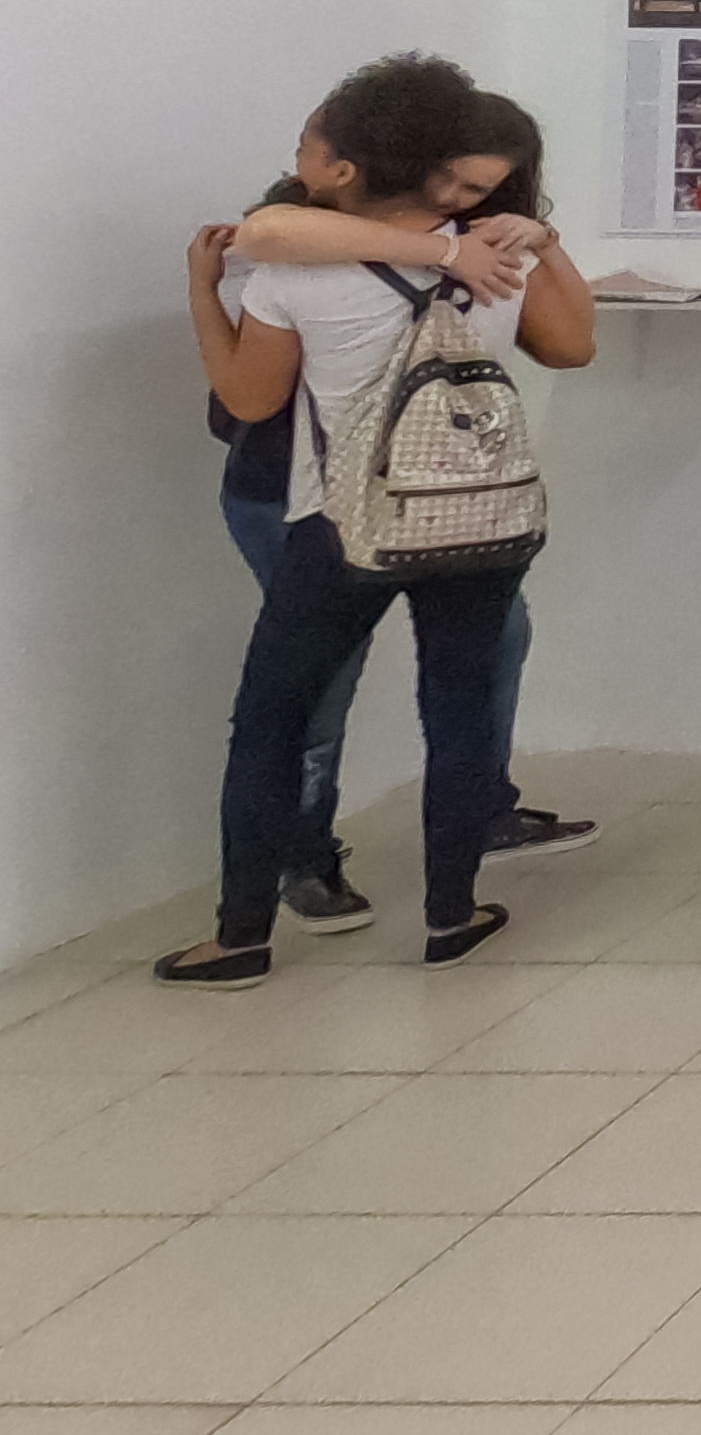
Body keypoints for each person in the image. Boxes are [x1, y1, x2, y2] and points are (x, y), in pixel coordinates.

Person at [156, 59, 598, 985]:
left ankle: (240, 938)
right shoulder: (495, 255)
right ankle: (451, 918)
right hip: (476, 520)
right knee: (460, 714)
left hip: (342, 524)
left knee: (272, 722)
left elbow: (247, 398)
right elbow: (571, 346)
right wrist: (544, 245)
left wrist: (202, 292)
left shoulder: (294, 272)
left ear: (357, 161)